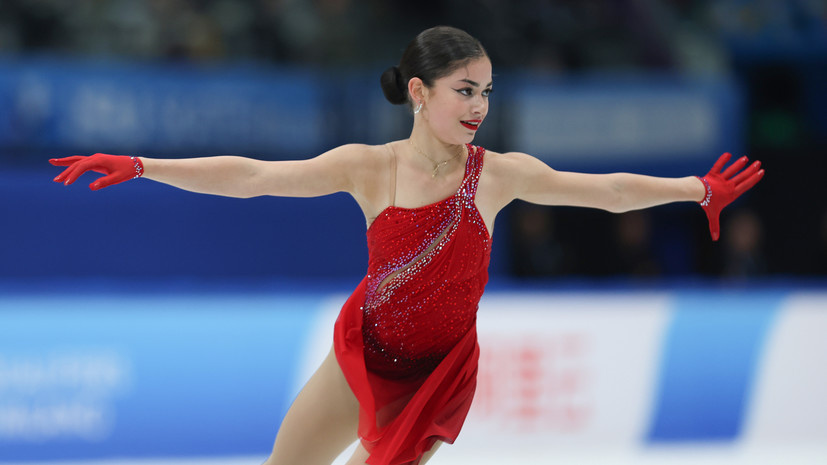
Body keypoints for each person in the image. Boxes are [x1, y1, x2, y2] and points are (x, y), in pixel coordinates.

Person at [50, 26, 764, 465]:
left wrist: (695, 189)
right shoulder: (369, 166)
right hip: (364, 351)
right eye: (464, 90)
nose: (479, 106)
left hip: (433, 377)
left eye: (486, 91)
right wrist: (145, 165)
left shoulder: (497, 175)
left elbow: (605, 190)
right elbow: (255, 177)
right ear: (420, 92)